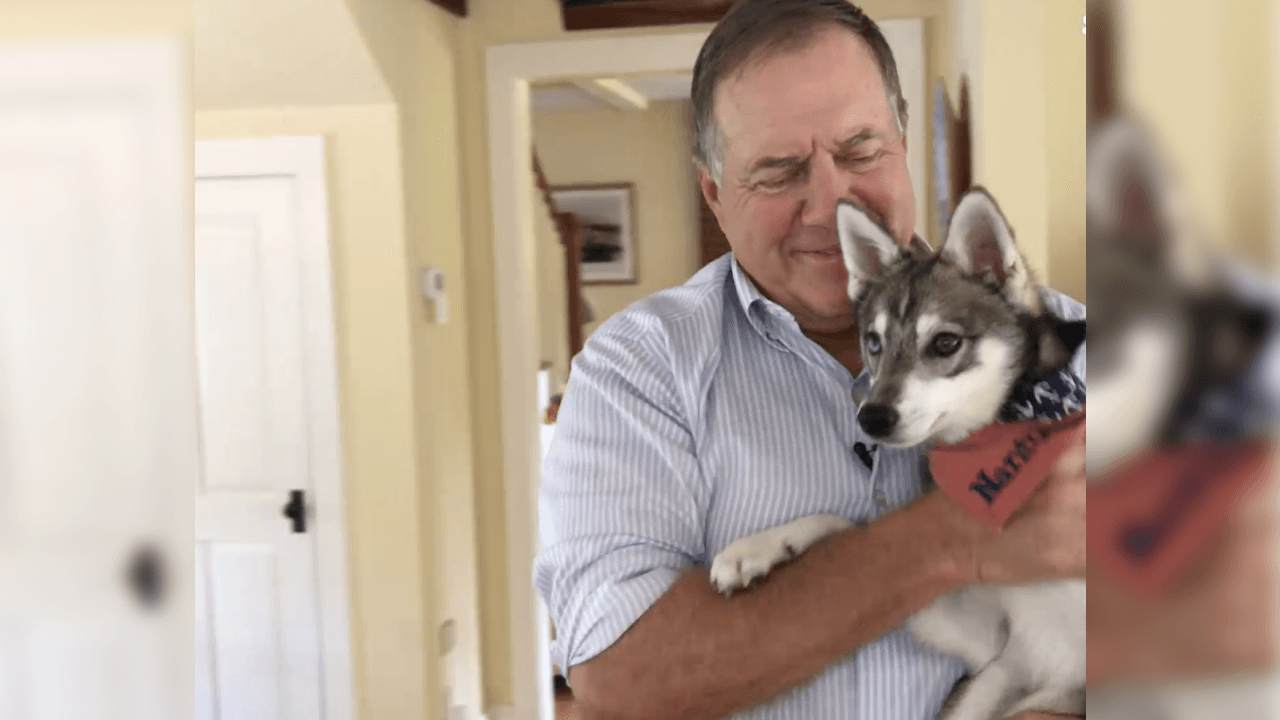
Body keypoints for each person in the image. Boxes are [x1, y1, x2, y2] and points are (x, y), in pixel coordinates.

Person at [533, 1, 1086, 718]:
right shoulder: (640, 370)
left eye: (860, 150)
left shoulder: (1071, 340)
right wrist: (954, 535)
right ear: (714, 192)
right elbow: (620, 675)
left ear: (903, 141)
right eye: (778, 170)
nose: (830, 203)